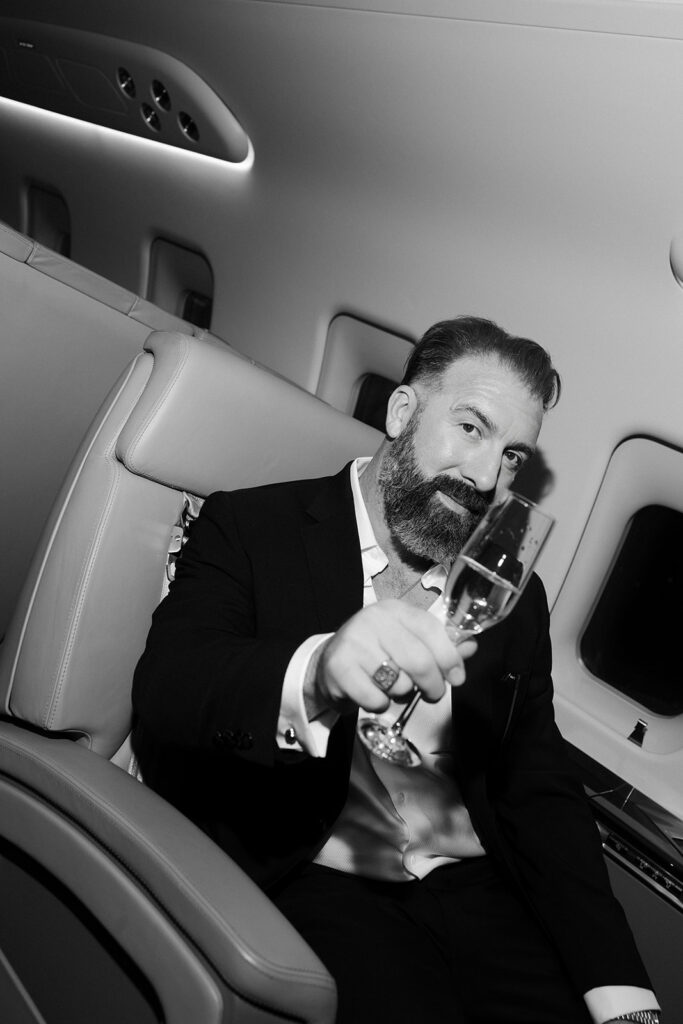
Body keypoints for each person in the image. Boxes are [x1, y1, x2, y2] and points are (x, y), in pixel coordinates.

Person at [132, 317, 661, 1024]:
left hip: (479, 888)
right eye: (470, 428)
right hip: (318, 872)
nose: (483, 476)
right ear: (402, 411)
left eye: (511, 457)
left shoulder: (510, 594)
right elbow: (171, 691)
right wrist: (318, 672)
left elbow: (537, 786)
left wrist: (621, 990)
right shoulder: (251, 528)